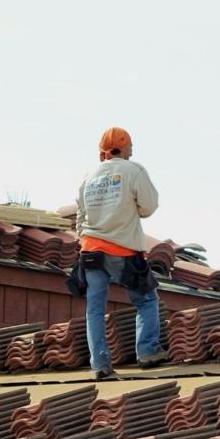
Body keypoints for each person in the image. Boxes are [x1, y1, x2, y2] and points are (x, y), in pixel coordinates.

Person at [76, 127, 165, 379]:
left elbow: (80, 217)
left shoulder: (88, 176)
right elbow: (148, 207)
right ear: (125, 148)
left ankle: (100, 364)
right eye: (131, 147)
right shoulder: (132, 170)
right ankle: (147, 351)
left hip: (91, 251)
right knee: (146, 300)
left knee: (94, 310)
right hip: (123, 250)